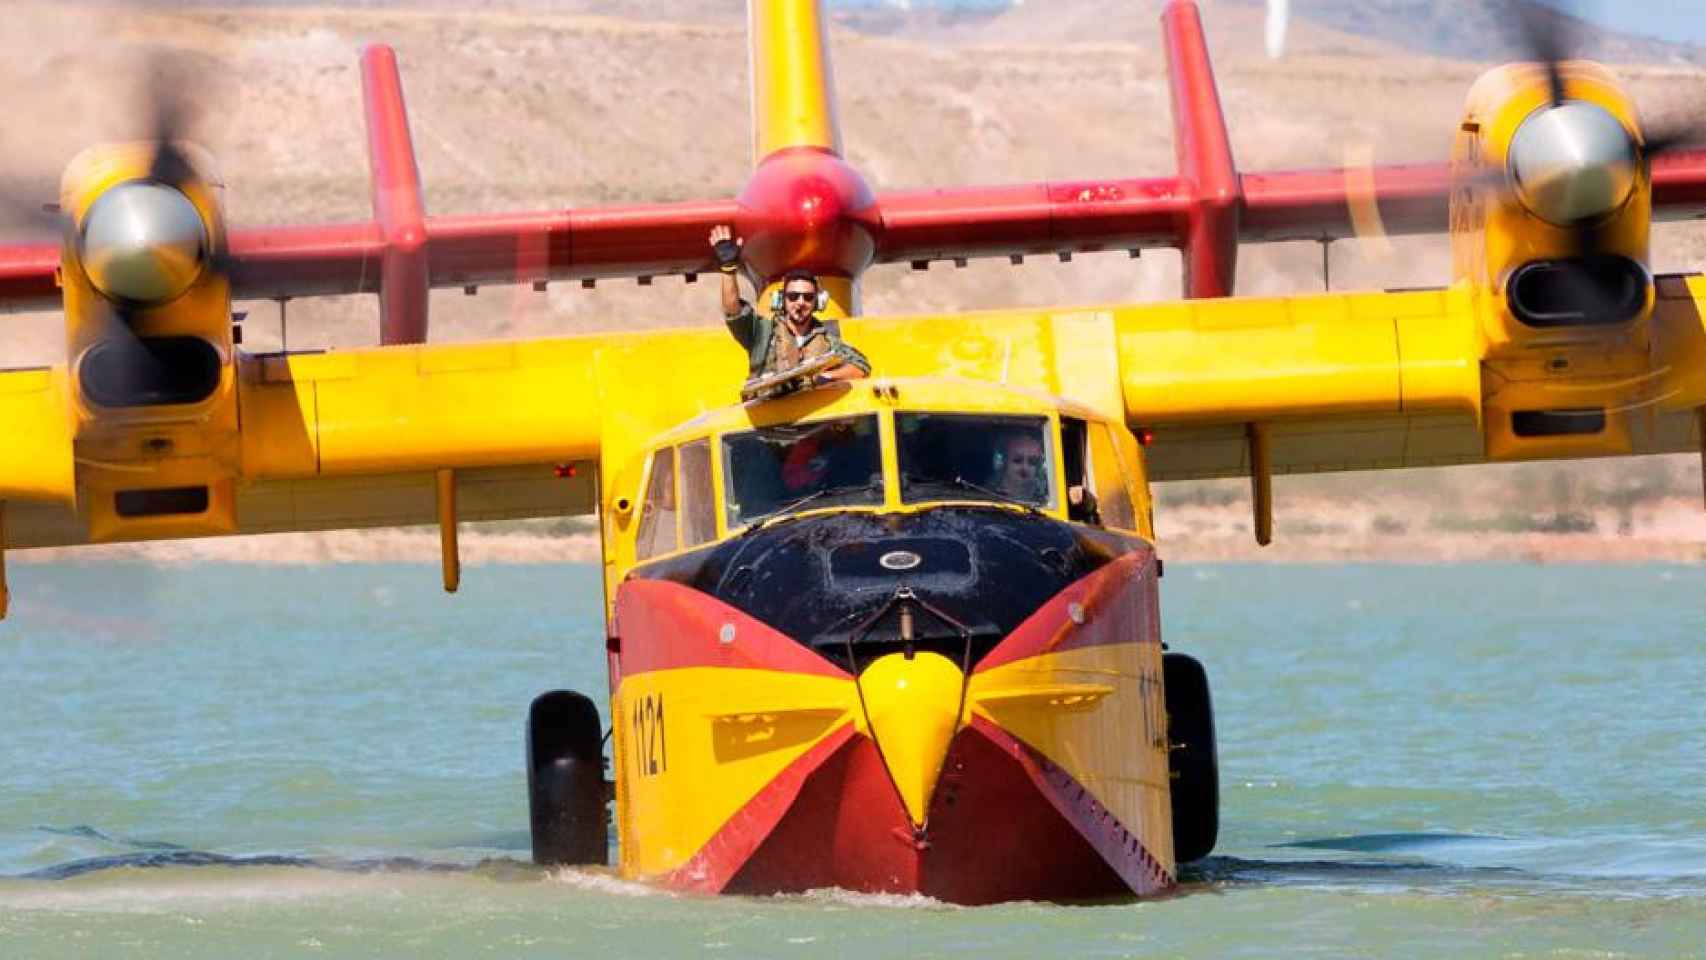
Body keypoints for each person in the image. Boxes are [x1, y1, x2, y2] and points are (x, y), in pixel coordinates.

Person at [709, 225, 870, 387]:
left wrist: (826, 377)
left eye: (808, 297)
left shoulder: (828, 340)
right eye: (793, 296)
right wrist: (728, 267)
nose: (800, 302)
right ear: (781, 300)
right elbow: (733, 311)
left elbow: (861, 367)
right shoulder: (761, 333)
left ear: (817, 303)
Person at [994, 430, 1047, 502]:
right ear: (1004, 463)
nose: (1025, 468)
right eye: (1017, 461)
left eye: (1032, 462)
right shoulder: (986, 495)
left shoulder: (1045, 499)